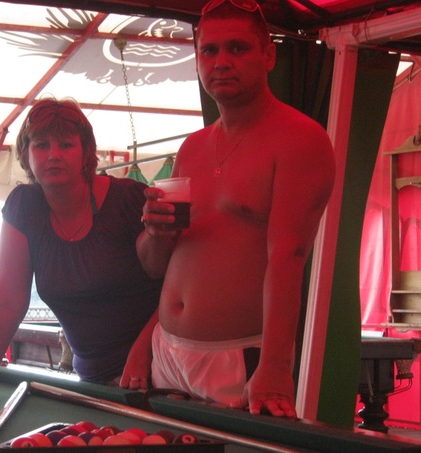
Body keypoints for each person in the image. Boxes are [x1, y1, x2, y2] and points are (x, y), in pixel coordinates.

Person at [136, 0, 335, 418]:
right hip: (166, 351)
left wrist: (276, 366)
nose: (221, 61)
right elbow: (159, 267)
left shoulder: (299, 139)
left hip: (238, 355)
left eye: (238, 48)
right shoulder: (192, 148)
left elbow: (289, 258)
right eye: (209, 50)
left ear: (269, 56)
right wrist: (155, 233)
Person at [0, 97, 162, 396]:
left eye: (66, 145)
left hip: (156, 373)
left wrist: (145, 349)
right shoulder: (24, 206)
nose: (53, 155)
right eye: (41, 145)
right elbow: (8, 300)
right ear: (26, 154)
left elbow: (179, 287)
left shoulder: (129, 200)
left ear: (86, 152)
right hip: (92, 380)